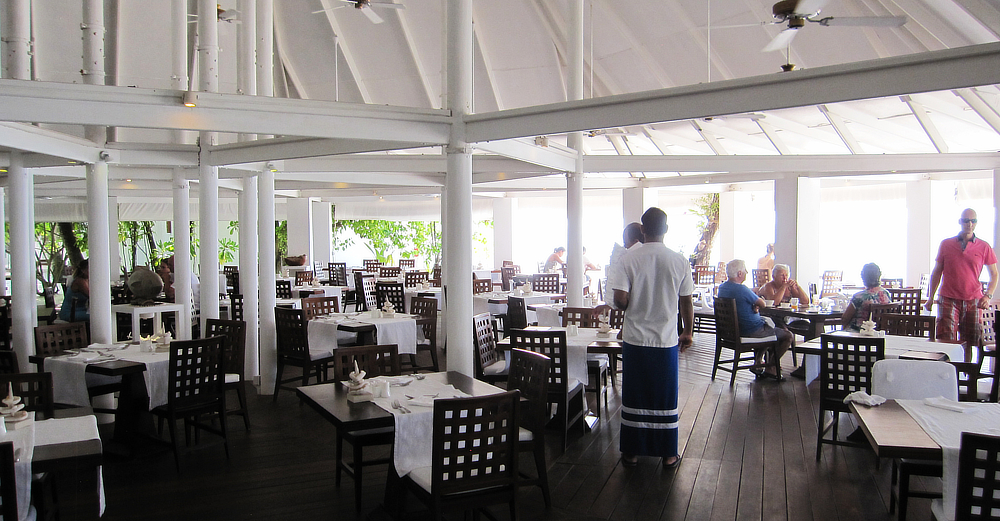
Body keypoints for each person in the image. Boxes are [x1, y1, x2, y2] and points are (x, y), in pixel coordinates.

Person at [611, 207, 693, 468]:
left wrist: (627, 300)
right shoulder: (679, 261)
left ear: (643, 230)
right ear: (666, 230)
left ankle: (632, 452)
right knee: (664, 397)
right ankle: (669, 453)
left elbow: (620, 300)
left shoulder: (628, 259)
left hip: (635, 339)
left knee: (635, 395)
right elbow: (686, 302)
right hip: (666, 340)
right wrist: (688, 331)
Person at [924, 208, 999, 343]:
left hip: (974, 300)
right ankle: (948, 364)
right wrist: (930, 297)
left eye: (973, 221)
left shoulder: (984, 246)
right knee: (945, 338)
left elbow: (994, 274)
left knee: (972, 340)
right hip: (948, 298)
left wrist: (988, 295)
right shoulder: (946, 244)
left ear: (976, 223)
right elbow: (937, 272)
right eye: (966, 221)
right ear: (960, 222)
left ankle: (967, 364)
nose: (969, 224)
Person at [717, 259, 791, 380]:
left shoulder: (722, 288)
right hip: (750, 331)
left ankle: (758, 363)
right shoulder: (742, 289)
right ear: (740, 274)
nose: (746, 272)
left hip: (731, 332)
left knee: (766, 326)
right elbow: (762, 303)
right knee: (787, 335)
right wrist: (755, 303)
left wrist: (752, 304)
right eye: (745, 270)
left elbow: (744, 303)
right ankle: (771, 367)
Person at [841, 263, 892, 331]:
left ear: (864, 277)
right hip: (879, 332)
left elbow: (845, 318)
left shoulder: (859, 297)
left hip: (859, 332)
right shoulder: (886, 293)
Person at [605, 223, 643, 310]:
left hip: (635, 315)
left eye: (626, 243)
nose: (625, 247)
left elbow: (620, 299)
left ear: (636, 242)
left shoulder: (627, 260)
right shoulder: (671, 258)